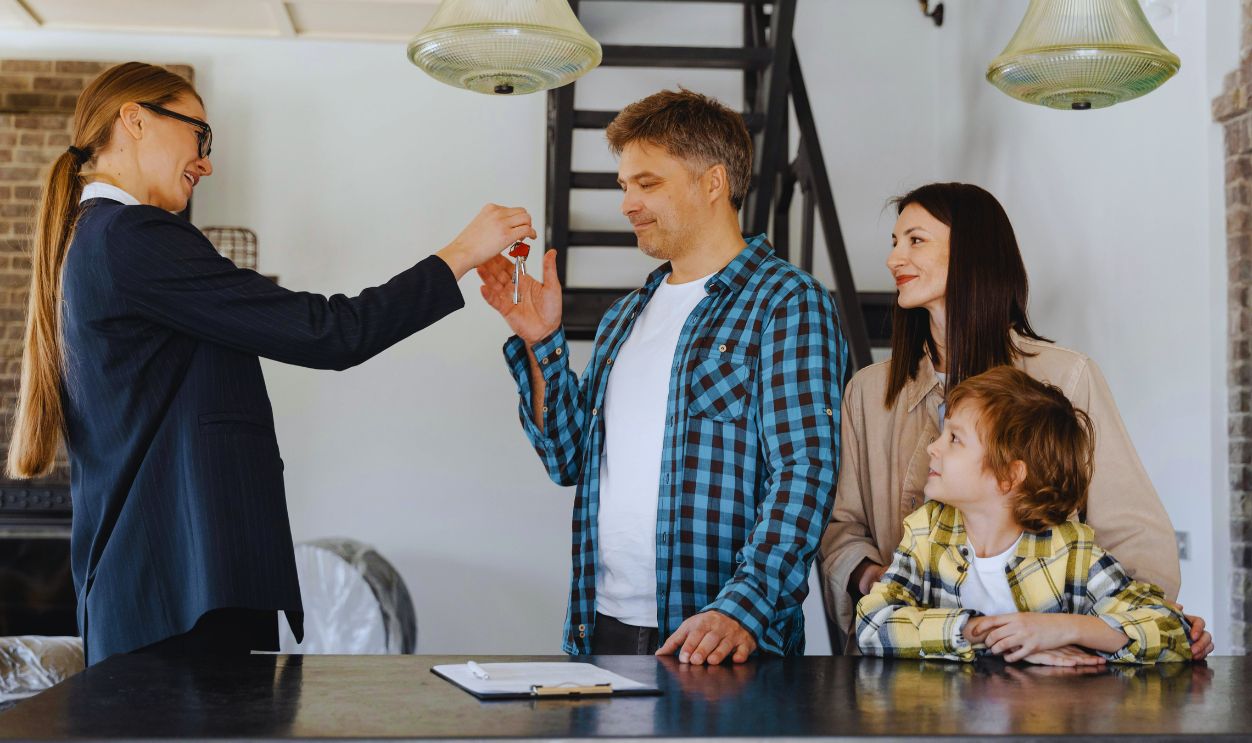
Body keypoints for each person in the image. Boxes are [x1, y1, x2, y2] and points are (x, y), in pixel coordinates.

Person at [7, 62, 535, 665]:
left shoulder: (97, 237)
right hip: (178, 602)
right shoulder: (133, 237)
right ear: (135, 120)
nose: (207, 162)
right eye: (199, 135)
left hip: (161, 599)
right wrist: (460, 253)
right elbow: (331, 333)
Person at [478, 89, 847, 663]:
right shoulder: (624, 317)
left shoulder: (787, 302)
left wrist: (742, 608)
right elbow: (566, 458)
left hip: (721, 636)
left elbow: (805, 471)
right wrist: (540, 341)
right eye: (624, 185)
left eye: (647, 184)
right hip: (599, 624)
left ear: (713, 183)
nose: (628, 203)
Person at [820, 182, 1213, 658]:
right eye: (894, 242)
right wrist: (877, 577)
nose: (893, 259)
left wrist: (1132, 628)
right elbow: (843, 528)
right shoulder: (867, 393)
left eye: (916, 240)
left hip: (1053, 677)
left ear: (972, 252)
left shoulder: (1065, 377)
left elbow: (1132, 534)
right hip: (913, 674)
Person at [856, 366, 1192, 665]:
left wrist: (1060, 630)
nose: (933, 446)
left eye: (955, 438)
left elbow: (1171, 628)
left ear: (1010, 476)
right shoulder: (926, 532)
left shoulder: (1071, 551)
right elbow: (872, 623)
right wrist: (981, 632)